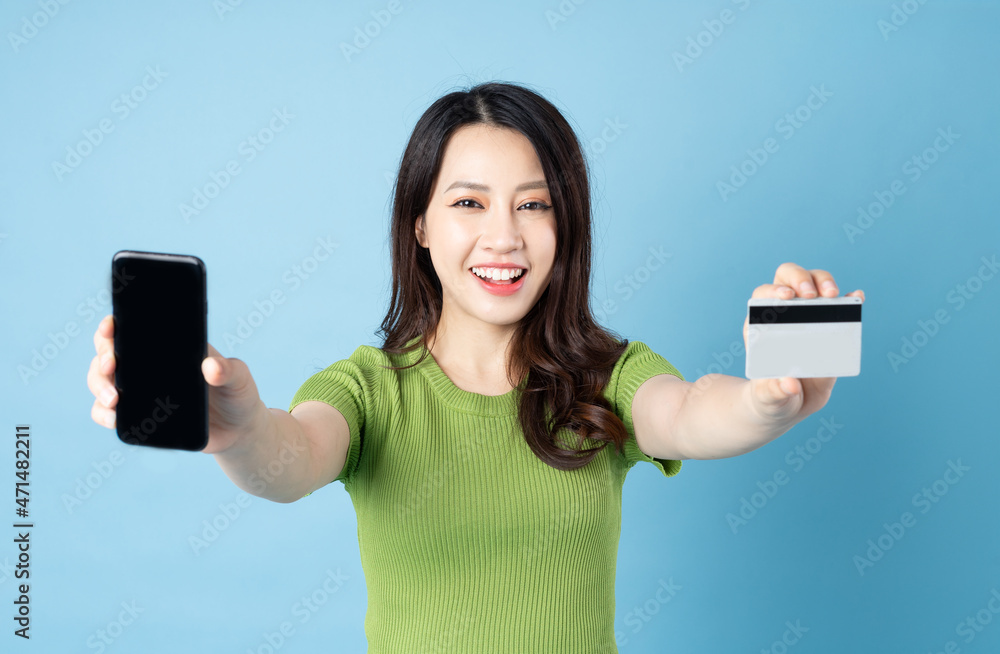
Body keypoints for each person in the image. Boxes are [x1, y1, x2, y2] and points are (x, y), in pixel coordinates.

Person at [87, 81, 865, 652]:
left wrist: (773, 397)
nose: (505, 237)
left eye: (534, 205)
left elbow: (691, 412)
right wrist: (237, 429)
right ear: (419, 224)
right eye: (468, 204)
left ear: (567, 227)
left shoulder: (606, 376)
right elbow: (289, 462)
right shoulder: (367, 390)